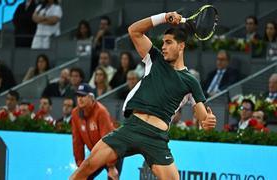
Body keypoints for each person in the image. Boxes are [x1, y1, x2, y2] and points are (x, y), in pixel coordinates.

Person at [70, 11, 217, 180]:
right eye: (163, 43)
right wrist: (163, 17)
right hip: (132, 128)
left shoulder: (191, 81)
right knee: (87, 166)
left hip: (156, 138)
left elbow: (202, 117)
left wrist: (208, 122)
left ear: (181, 46)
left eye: (168, 43)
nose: (163, 47)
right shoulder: (154, 59)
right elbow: (134, 31)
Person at [71, 83, 123, 180]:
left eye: (83, 96)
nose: (80, 99)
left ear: (91, 97)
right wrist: (80, 165)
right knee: (80, 177)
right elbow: (77, 142)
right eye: (78, 96)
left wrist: (111, 166)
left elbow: (108, 139)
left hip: (113, 152)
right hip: (97, 155)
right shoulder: (75, 114)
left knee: (112, 177)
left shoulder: (101, 112)